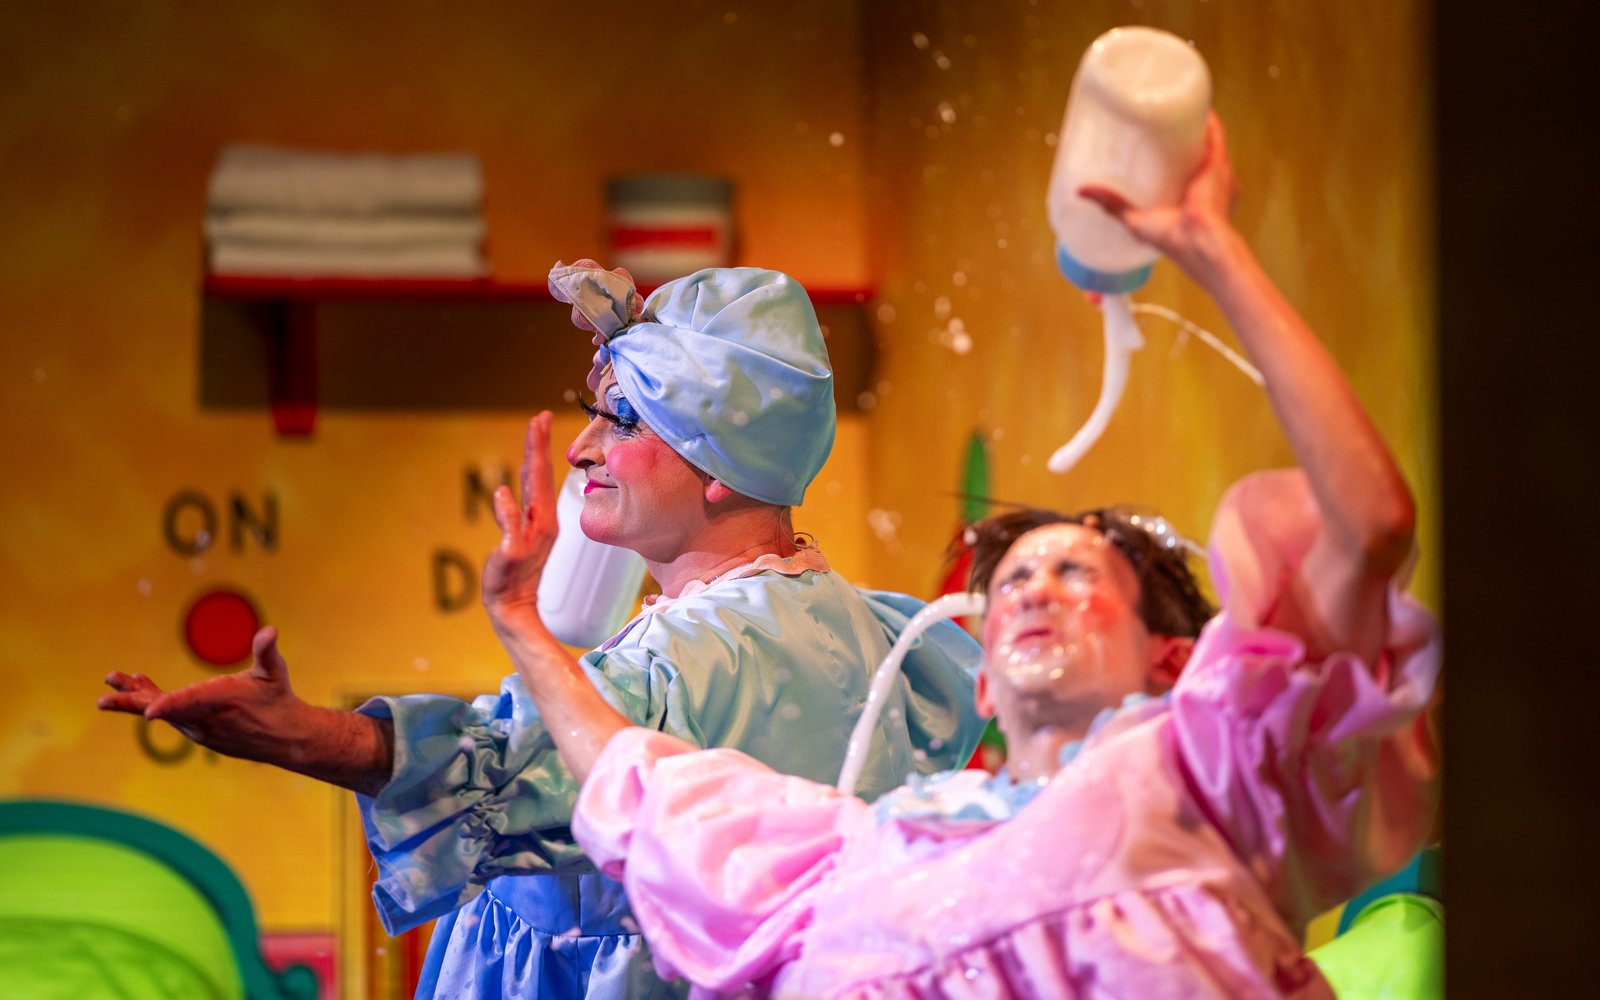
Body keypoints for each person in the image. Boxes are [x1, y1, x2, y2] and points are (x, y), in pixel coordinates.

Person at [473, 113, 1441, 997]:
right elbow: (639, 790)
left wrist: (1213, 252)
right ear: (980, 690)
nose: (1031, 590)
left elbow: (1370, 529)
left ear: (1174, 663)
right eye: (1015, 576)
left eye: (1076, 573)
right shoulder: (878, 849)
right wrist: (519, 623)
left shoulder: (1202, 774)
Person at [99, 263, 987, 999]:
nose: (580, 448)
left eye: (622, 419)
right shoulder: (859, 629)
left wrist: (306, 734)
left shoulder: (697, 657)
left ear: (722, 468)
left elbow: (512, 765)